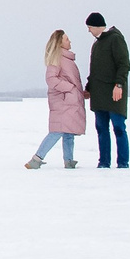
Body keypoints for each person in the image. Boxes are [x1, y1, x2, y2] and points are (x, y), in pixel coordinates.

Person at [26, 29, 85, 168]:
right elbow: (51, 79)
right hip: (63, 102)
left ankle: (69, 160)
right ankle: (36, 159)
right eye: (66, 39)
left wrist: (79, 92)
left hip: (70, 101)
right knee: (57, 131)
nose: (69, 41)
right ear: (59, 43)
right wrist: (70, 88)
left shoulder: (67, 59)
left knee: (69, 131)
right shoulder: (57, 59)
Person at [85, 12, 130, 168]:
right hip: (99, 95)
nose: (89, 31)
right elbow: (94, 70)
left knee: (118, 127)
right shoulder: (97, 44)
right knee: (101, 129)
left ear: (96, 26)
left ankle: (123, 163)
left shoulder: (115, 39)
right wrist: (88, 88)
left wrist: (119, 85)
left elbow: (124, 64)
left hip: (114, 93)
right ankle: (104, 162)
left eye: (89, 27)